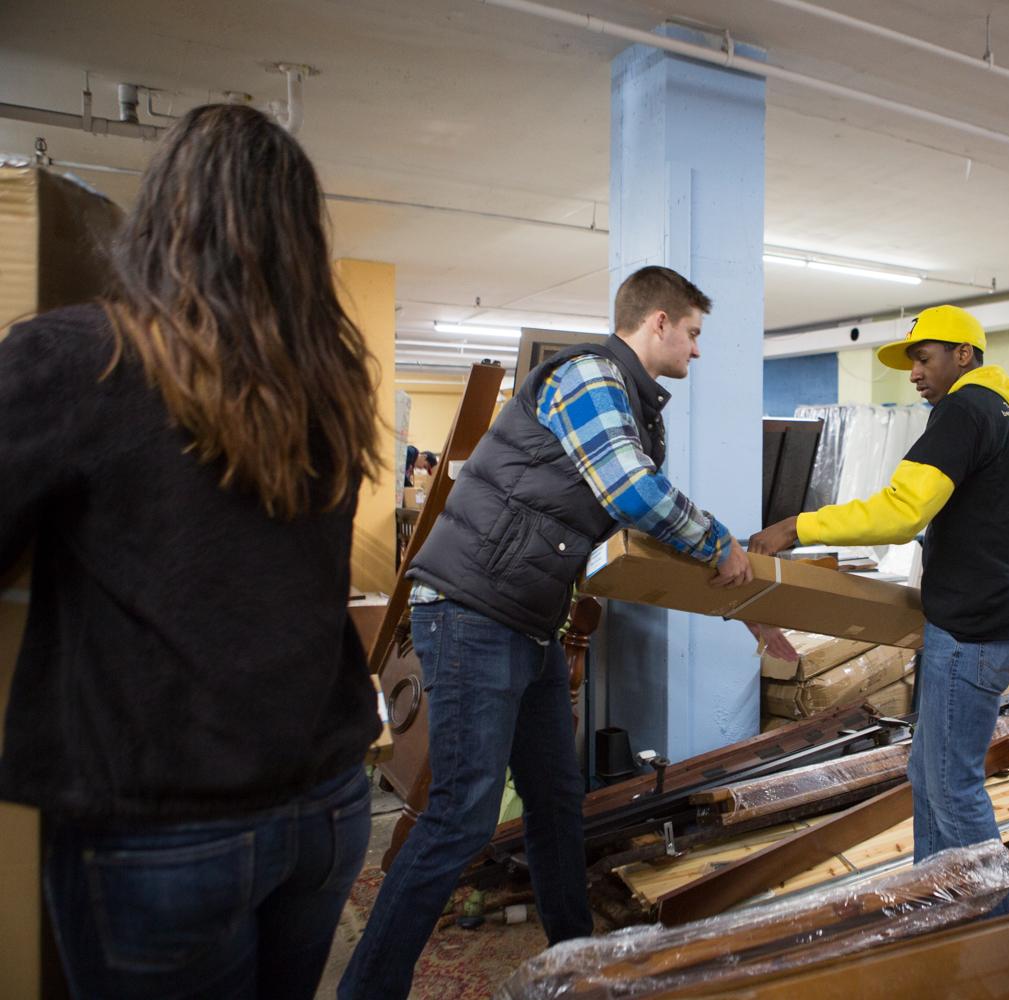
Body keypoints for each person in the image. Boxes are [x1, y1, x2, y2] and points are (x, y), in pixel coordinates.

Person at [0, 104, 383, 997]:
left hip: (165, 820)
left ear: (165, 212)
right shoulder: (327, 386)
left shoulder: (78, 356)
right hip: (326, 803)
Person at [340, 265, 788, 998]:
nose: (699, 352)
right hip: (471, 611)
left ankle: (576, 966)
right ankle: (368, 988)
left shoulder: (640, 409)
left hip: (529, 621)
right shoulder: (589, 378)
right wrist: (719, 543)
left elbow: (640, 531)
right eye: (695, 334)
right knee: (462, 815)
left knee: (555, 802)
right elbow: (633, 493)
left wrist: (747, 603)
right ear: (659, 323)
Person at [750, 304, 1009, 916]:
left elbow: (901, 511)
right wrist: (983, 544)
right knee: (930, 778)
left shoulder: (963, 411)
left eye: (923, 359)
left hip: (971, 631)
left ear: (963, 355)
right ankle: (935, 906)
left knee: (952, 786)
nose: (915, 374)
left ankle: (998, 929)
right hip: (1003, 625)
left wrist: (798, 526)